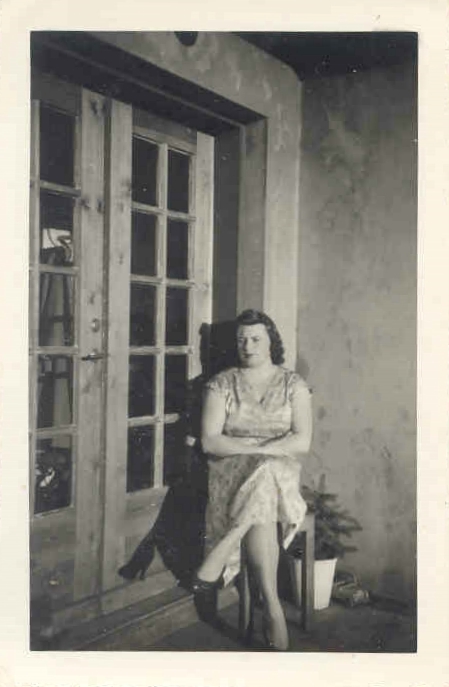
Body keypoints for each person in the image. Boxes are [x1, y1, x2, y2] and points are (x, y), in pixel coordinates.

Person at [191, 309, 312, 651]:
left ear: (272, 341)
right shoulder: (221, 384)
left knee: (267, 472)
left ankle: (224, 548)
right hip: (231, 470)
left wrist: (262, 452)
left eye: (256, 339)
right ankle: (273, 608)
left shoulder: (293, 384)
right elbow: (210, 441)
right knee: (264, 489)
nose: (248, 346)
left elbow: (302, 441)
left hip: (278, 472)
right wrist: (258, 450)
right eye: (242, 340)